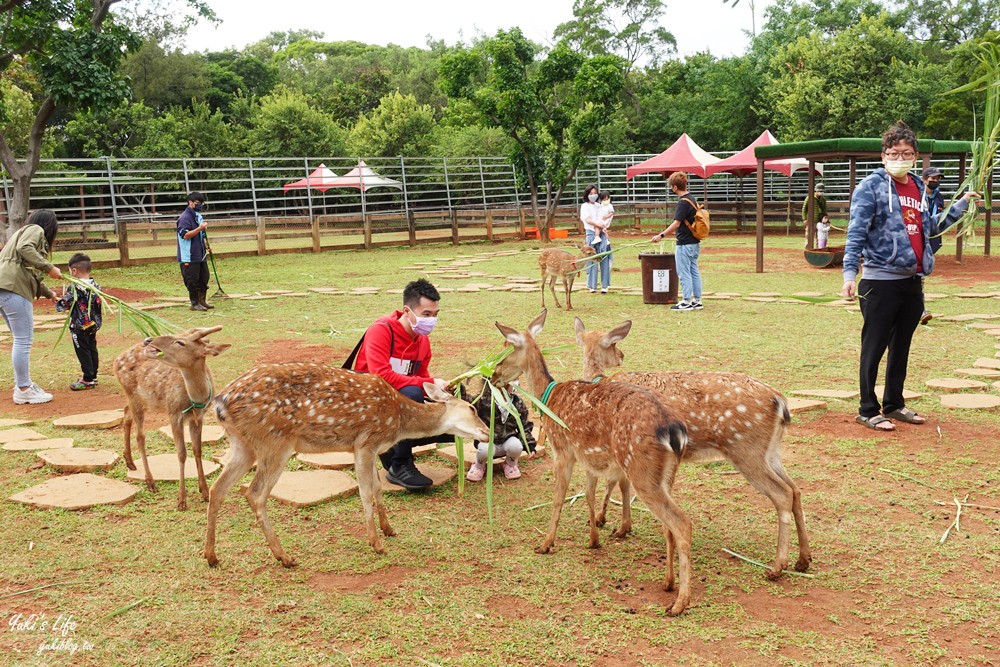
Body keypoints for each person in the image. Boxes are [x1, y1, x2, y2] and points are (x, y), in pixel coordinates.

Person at [841, 121, 977, 432]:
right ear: (883, 155)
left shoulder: (917, 186)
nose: (900, 157)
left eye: (906, 153)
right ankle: (867, 408)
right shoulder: (869, 187)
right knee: (874, 345)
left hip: (912, 280)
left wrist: (962, 205)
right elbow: (856, 234)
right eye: (893, 152)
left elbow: (928, 226)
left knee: (902, 345)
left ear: (915, 156)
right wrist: (850, 273)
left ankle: (894, 403)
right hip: (879, 281)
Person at [353, 278, 452, 490]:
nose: (432, 320)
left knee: (442, 403)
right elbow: (380, 376)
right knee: (412, 393)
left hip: (394, 407)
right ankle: (399, 465)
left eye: (435, 314)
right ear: (407, 311)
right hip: (367, 403)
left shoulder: (422, 341)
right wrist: (429, 382)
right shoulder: (381, 331)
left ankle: (390, 450)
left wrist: (436, 391)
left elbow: (421, 376)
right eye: (426, 314)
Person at [0, 210, 62, 404]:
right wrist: (49, 267)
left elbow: (29, 273)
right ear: (49, 225)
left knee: (20, 339)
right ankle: (24, 388)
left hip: (4, 288)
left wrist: (49, 293)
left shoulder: (19, 235)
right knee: (23, 340)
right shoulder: (34, 230)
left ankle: (23, 384)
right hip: (14, 290)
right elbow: (25, 248)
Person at [651, 171, 703, 311]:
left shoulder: (682, 203)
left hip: (684, 243)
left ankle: (686, 301)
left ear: (674, 187)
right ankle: (697, 300)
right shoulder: (692, 199)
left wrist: (660, 235)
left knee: (684, 272)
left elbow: (676, 223)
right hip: (694, 242)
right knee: (693, 271)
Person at [465, 382, 537, 482]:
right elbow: (468, 403)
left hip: (507, 441)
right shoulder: (483, 400)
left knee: (516, 446)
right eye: (512, 381)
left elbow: (524, 425)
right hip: (488, 441)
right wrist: (459, 390)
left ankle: (510, 464)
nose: (517, 383)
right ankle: (479, 465)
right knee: (485, 450)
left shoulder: (516, 402)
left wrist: (530, 445)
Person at [55, 253, 102, 391]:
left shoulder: (75, 287)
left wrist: (58, 302)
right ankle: (93, 375)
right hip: (93, 325)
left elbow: (65, 303)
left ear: (74, 270)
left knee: (83, 350)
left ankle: (87, 379)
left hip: (79, 326)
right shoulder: (96, 286)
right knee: (92, 347)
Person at [177, 191, 214, 312]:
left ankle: (202, 300)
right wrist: (199, 228)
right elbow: (185, 235)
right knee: (192, 280)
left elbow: (202, 234)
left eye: (201, 203)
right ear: (190, 202)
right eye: (197, 203)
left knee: (204, 277)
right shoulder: (184, 218)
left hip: (200, 253)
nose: (199, 205)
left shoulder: (198, 216)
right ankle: (194, 303)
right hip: (188, 255)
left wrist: (206, 244)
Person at [919, 166, 946, 325]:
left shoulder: (938, 196)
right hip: (917, 239)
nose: (936, 181)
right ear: (924, 179)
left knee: (921, 275)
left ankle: (918, 309)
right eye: (933, 178)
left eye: (938, 178)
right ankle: (920, 310)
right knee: (918, 276)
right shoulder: (917, 195)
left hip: (931, 240)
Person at [580, 184, 610, 294]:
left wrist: (604, 227)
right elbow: (588, 220)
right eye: (591, 193)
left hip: (602, 233)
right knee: (591, 259)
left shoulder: (599, 205)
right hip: (591, 233)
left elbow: (604, 217)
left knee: (604, 257)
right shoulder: (585, 206)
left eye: (595, 193)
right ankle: (591, 285)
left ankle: (605, 285)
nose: (593, 195)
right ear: (587, 194)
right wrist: (598, 225)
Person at [802, 182, 829, 249]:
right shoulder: (809, 198)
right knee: (809, 236)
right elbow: (804, 209)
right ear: (816, 190)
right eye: (819, 191)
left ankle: (818, 249)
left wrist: (826, 219)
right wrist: (804, 218)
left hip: (820, 221)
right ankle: (808, 249)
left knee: (820, 236)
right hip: (811, 220)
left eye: (822, 191)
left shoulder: (823, 200)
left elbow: (824, 210)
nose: (821, 192)